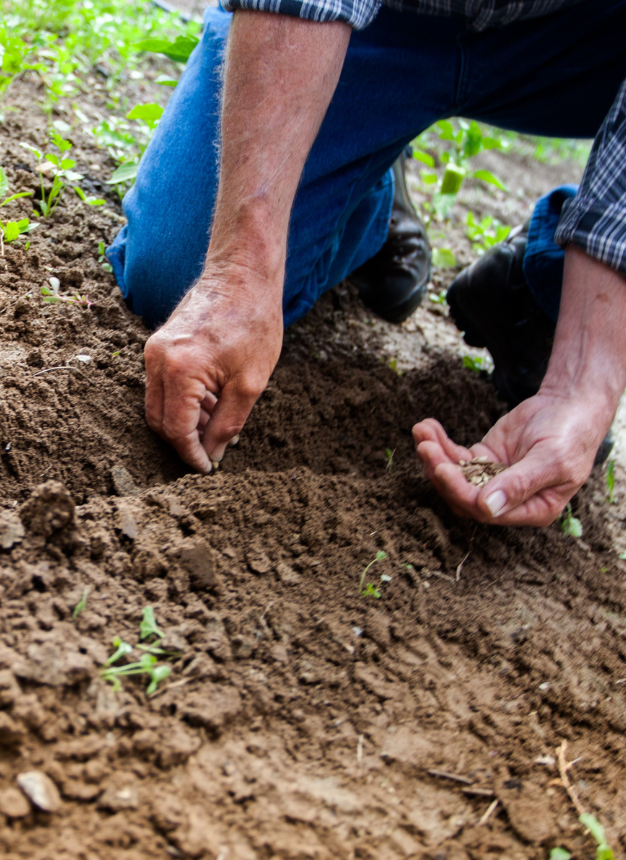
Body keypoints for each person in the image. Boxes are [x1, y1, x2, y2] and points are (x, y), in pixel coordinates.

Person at [106, 0, 626, 528]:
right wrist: (240, 271)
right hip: (385, 18)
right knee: (178, 274)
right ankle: (366, 179)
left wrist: (581, 387)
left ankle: (546, 285)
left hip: (585, 40)